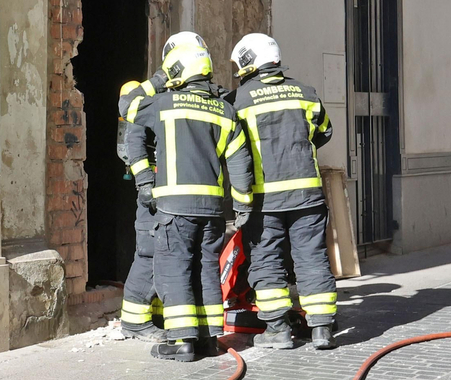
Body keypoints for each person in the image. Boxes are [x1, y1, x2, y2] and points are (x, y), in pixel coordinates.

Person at [127, 38, 254, 362]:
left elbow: (127, 105)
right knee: (205, 270)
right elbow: (240, 160)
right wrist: (242, 205)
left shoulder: (164, 103)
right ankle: (209, 339)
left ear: (177, 70)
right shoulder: (224, 111)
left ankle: (182, 341)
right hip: (212, 211)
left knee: (175, 269)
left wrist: (157, 80)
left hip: (174, 208)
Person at [227, 34, 338, 350]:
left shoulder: (240, 100)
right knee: (312, 257)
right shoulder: (305, 92)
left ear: (249, 61)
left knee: (266, 259)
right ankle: (321, 329)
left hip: (266, 198)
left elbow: (236, 150)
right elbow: (323, 131)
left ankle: (278, 329)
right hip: (308, 195)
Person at [115, 32, 208, 342]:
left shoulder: (184, 92)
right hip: (154, 187)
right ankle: (134, 321)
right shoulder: (148, 91)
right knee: (150, 250)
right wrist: (161, 78)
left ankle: (165, 316)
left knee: (174, 254)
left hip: (178, 188)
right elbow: (127, 105)